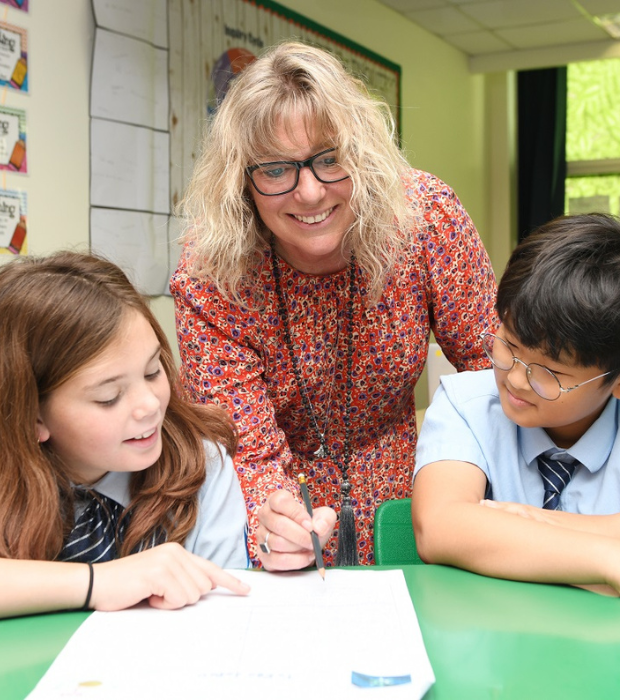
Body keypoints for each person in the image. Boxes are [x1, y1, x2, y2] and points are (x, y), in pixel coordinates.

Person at [172, 41, 498, 570]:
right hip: (280, 526)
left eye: (329, 160)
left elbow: (493, 374)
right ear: (241, 181)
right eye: (276, 170)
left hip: (413, 512)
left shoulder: (426, 219)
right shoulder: (213, 272)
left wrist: (468, 494)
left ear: (362, 154)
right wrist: (275, 523)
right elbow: (244, 447)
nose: (309, 192)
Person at [0, 251, 250, 619]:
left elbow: (231, 611)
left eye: (152, 372)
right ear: (32, 417)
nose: (149, 405)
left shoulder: (202, 466)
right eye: (108, 397)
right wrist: (100, 582)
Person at [412, 213, 620, 596]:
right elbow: (440, 526)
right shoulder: (467, 405)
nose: (516, 379)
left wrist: (524, 521)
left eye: (549, 373)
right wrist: (608, 560)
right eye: (509, 345)